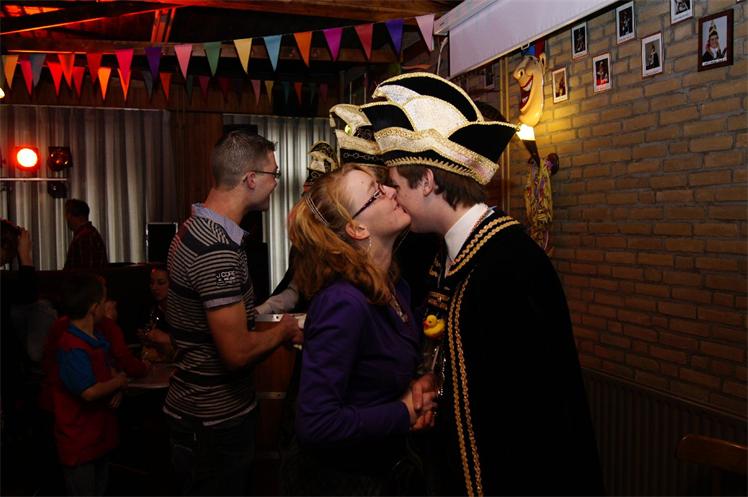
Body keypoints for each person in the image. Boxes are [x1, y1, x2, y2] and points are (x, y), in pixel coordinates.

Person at [362, 72, 604, 496]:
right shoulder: (452, 255)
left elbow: (532, 415)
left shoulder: (509, 264)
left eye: (396, 184)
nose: (392, 196)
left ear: (427, 181)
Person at [164, 130, 303, 496]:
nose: (276, 183)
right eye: (274, 174)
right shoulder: (215, 249)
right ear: (251, 179)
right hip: (213, 423)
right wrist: (283, 331)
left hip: (200, 417)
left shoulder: (195, 229)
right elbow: (236, 353)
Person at [285, 164, 435, 495]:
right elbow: (316, 424)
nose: (392, 191)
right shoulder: (343, 302)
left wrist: (417, 385)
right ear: (356, 228)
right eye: (376, 192)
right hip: (345, 483)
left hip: (383, 471)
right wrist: (404, 412)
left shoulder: (394, 287)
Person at [50, 273, 129, 496]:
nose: (108, 305)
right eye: (104, 301)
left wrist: (116, 387)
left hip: (98, 439)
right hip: (80, 444)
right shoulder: (72, 346)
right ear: (94, 308)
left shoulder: (96, 338)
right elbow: (89, 391)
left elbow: (108, 367)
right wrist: (118, 382)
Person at [63, 199, 108, 270]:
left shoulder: (85, 237)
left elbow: (88, 271)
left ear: (76, 215)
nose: (67, 218)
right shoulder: (89, 234)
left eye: (68, 214)